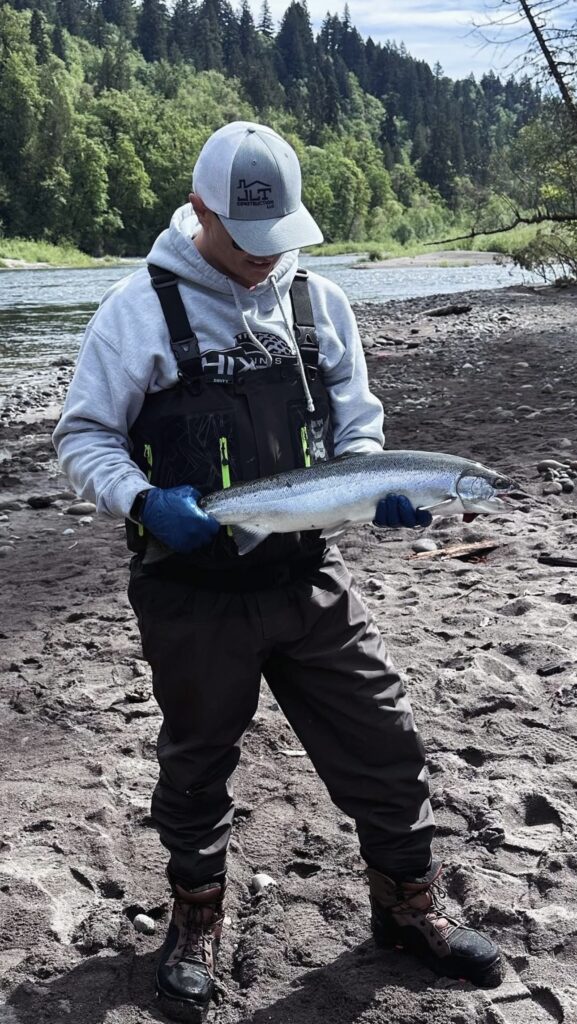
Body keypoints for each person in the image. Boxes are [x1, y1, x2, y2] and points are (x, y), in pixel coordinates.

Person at [53, 121, 503, 1022]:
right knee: (195, 769)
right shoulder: (132, 312)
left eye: (278, 241)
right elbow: (82, 438)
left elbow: (358, 429)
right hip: (190, 593)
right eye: (245, 242)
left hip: (307, 577)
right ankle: (195, 920)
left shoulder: (320, 304)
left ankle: (406, 907)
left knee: (386, 740)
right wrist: (144, 503)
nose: (264, 261)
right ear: (198, 213)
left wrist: (378, 487)